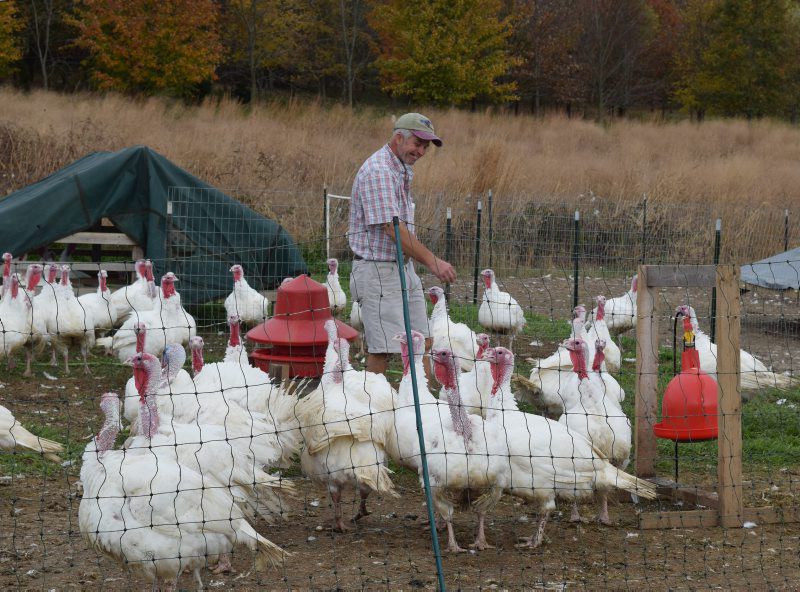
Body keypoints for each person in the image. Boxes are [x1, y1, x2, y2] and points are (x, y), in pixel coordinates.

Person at [348, 113, 456, 377]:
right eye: (416, 144)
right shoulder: (379, 171)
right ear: (398, 138)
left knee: (423, 341)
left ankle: (426, 404)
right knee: (382, 348)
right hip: (377, 271)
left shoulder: (400, 169)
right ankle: (375, 412)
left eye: (424, 147)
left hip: (401, 266)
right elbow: (392, 229)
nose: (420, 152)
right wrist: (433, 261)